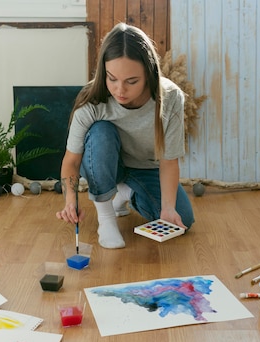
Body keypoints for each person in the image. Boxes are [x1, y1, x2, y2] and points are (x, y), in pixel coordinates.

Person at [55, 22, 195, 249]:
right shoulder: (92, 101)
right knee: (101, 131)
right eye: (112, 79)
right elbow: (71, 161)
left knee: (183, 221)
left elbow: (169, 161)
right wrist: (70, 201)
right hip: (107, 163)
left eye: (132, 81)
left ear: (149, 73)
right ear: (104, 71)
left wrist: (168, 208)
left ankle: (127, 192)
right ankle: (106, 217)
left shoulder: (170, 99)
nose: (120, 90)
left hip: (145, 168)